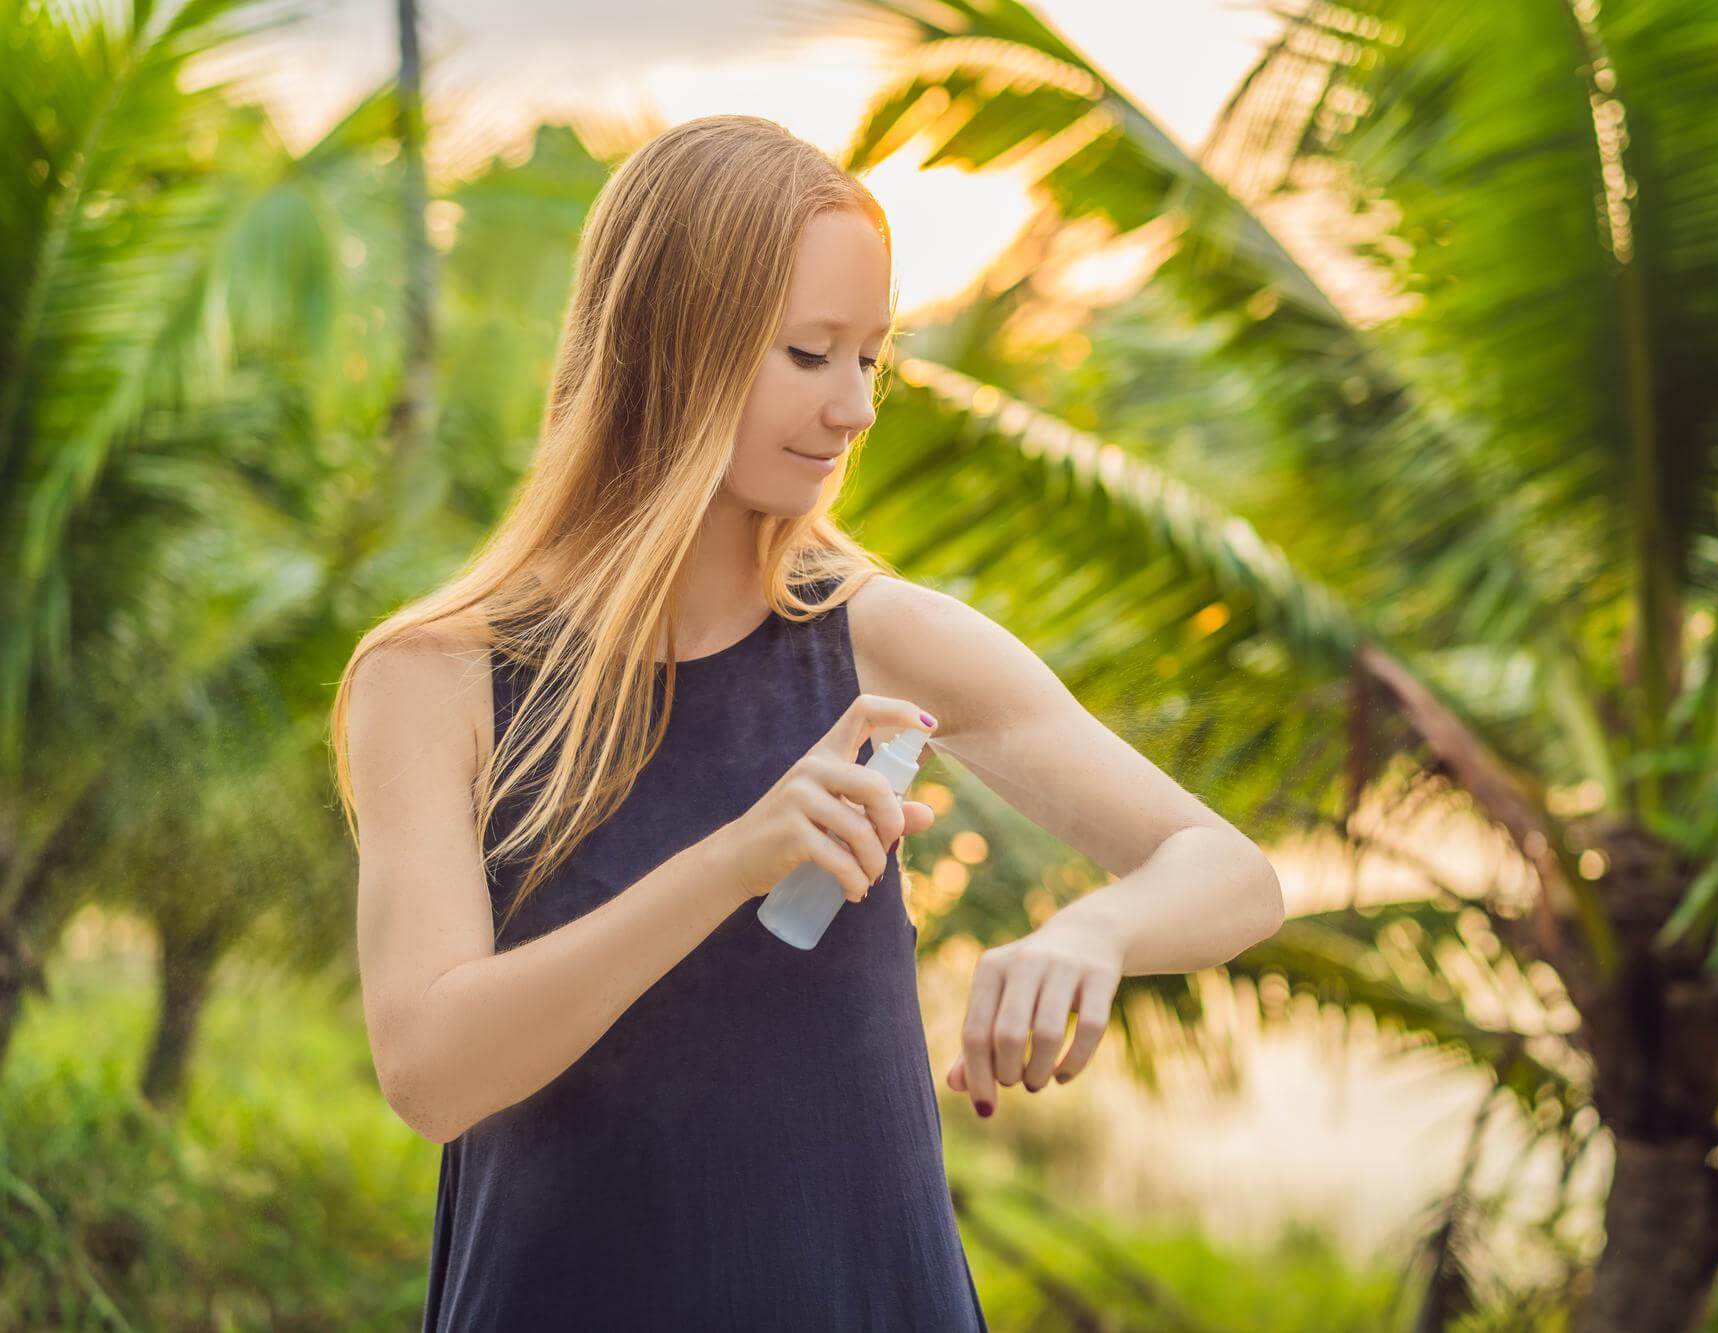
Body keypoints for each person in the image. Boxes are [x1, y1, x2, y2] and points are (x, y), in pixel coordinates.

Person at [331, 113, 1283, 1331]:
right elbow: (428, 1071)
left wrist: (1093, 933)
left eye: (870, 359)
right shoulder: (435, 678)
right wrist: (733, 861)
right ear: (668, 344)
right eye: (807, 353)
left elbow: (1229, 874)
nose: (853, 409)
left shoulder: (878, 638)